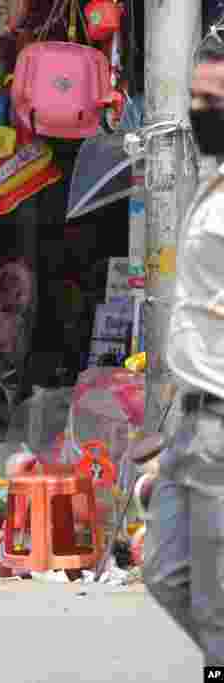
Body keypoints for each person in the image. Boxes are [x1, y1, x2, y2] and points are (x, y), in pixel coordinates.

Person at [143, 46, 224, 665]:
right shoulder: (213, 180)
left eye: (214, 102)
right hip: (192, 423)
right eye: (197, 99)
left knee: (215, 608)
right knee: (166, 577)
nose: (201, 112)